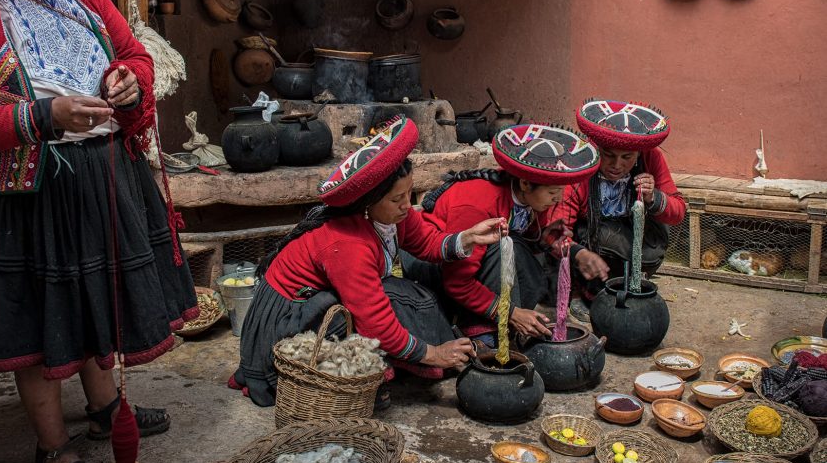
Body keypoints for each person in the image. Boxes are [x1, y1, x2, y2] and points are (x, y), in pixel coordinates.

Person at [0, 0, 197, 463]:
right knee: (44, 320)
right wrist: (46, 116)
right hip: (27, 194)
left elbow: (133, 53)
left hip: (102, 173)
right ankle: (52, 448)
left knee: (95, 295)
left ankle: (104, 407)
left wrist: (130, 82)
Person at [229, 116, 508, 407]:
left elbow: (426, 242)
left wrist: (468, 238)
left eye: (409, 194)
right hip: (288, 319)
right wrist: (434, 353)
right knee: (382, 303)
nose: (406, 205)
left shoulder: (393, 217)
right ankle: (350, 379)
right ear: (368, 203)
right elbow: (376, 322)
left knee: (406, 293)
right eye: (396, 199)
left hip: (317, 301)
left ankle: (400, 361)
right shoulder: (348, 243)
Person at [415, 123, 601, 346]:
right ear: (525, 183)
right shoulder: (477, 207)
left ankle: (510, 322)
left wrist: (571, 250)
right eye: (553, 192)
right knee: (505, 246)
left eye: (561, 191)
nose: (559, 199)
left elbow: (538, 234)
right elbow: (457, 282)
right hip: (435, 266)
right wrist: (511, 313)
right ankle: (481, 330)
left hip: (478, 263)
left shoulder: (532, 199)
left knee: (531, 254)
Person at [547, 99, 686, 320]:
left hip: (628, 235)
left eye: (627, 157)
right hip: (590, 238)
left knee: (652, 243)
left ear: (639, 154)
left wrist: (653, 197)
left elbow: (678, 212)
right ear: (597, 148)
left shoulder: (652, 156)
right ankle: (577, 294)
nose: (617, 165)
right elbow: (554, 230)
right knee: (583, 244)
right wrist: (579, 253)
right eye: (608, 155)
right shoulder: (582, 161)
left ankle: (620, 286)